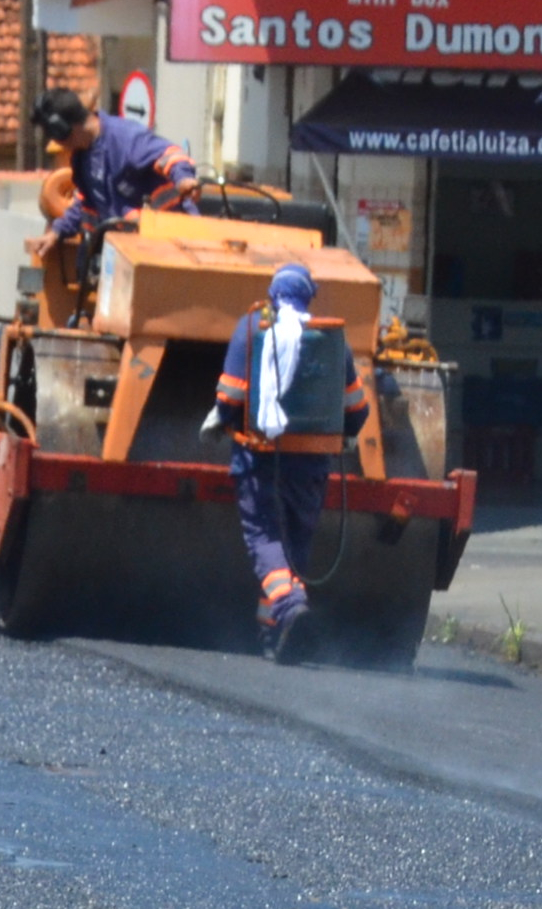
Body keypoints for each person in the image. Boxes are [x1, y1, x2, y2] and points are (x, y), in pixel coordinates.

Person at [215, 262, 371, 655]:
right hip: (312, 465)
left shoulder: (250, 329)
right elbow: (357, 410)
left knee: (265, 537)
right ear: (308, 298)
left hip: (260, 459)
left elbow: (229, 398)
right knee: (295, 543)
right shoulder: (331, 338)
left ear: (272, 295)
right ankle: (275, 634)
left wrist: (228, 422)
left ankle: (287, 606)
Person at [35, 87, 205, 248]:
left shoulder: (124, 138)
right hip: (131, 248)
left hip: (173, 241)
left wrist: (184, 178)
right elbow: (86, 203)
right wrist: (58, 232)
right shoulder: (84, 156)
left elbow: (168, 154)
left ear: (60, 130)